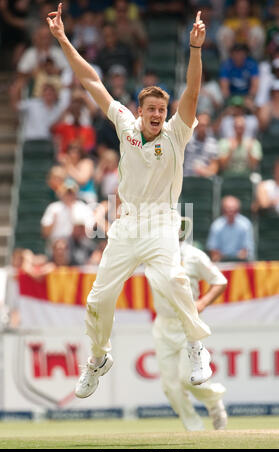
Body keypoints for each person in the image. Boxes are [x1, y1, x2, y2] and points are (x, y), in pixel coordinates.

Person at [47, 4, 212, 399]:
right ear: (140, 111)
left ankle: (196, 345)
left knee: (173, 280)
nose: (157, 114)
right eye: (151, 109)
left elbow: (192, 91)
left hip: (161, 221)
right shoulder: (125, 123)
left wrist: (195, 49)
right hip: (126, 224)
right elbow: (91, 80)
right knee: (98, 300)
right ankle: (99, 358)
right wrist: (63, 39)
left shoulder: (176, 133)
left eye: (162, 109)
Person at [152, 239, 228, 431]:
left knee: (189, 379)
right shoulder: (151, 251)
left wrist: (202, 303)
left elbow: (220, 281)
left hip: (187, 323)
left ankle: (214, 400)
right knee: (170, 387)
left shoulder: (194, 255)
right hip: (163, 324)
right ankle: (195, 430)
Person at [206, 195, 255, 262]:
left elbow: (246, 250)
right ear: (223, 210)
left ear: (238, 210)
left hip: (241, 264)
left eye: (234, 210)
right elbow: (213, 250)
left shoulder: (245, 224)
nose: (231, 213)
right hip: (222, 264)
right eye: (228, 210)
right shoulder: (216, 225)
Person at [183, 112, 219, 178]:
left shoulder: (213, 143)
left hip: (204, 180)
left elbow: (214, 166)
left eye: (204, 125)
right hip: (187, 179)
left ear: (208, 126)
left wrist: (203, 172)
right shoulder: (187, 140)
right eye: (199, 125)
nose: (202, 128)